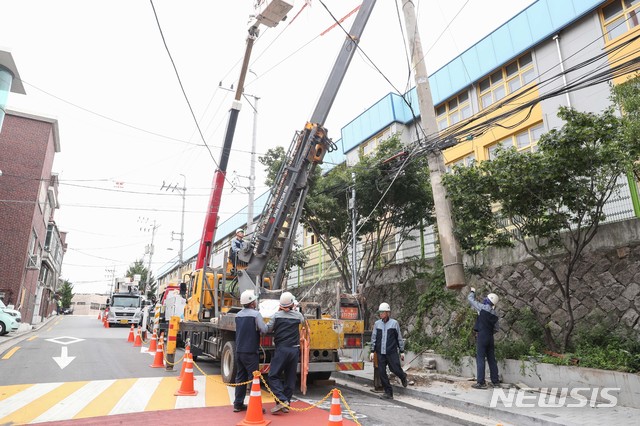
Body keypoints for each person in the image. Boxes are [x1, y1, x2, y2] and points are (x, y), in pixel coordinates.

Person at [267, 291, 305, 414]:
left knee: (273, 375)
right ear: (292, 304)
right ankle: (285, 403)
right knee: (290, 377)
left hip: (282, 349)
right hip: (294, 350)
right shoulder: (298, 316)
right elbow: (303, 321)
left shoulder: (276, 316)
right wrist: (294, 308)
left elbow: (268, 328)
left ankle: (282, 400)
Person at [233, 289, 268, 412]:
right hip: (251, 351)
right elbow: (263, 330)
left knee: (240, 377)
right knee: (254, 378)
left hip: (239, 350)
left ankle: (238, 404)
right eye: (254, 300)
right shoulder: (256, 314)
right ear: (251, 303)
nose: (255, 302)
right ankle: (255, 406)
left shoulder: (238, 315)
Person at [369, 302, 408, 400]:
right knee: (382, 372)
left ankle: (403, 376)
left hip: (391, 352)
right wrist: (372, 351)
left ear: (387, 313)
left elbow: (399, 338)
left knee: (395, 369)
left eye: (382, 312)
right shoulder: (377, 324)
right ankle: (388, 392)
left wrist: (402, 351)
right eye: (380, 312)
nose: (380, 314)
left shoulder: (394, 323)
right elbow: (374, 338)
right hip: (380, 353)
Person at [467, 287, 500, 389]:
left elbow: (470, 300)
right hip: (490, 337)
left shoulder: (482, 308)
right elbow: (496, 329)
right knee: (491, 359)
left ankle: (481, 382)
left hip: (482, 336)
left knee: (480, 359)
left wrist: (472, 291)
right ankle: (495, 382)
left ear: (487, 300)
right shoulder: (495, 314)